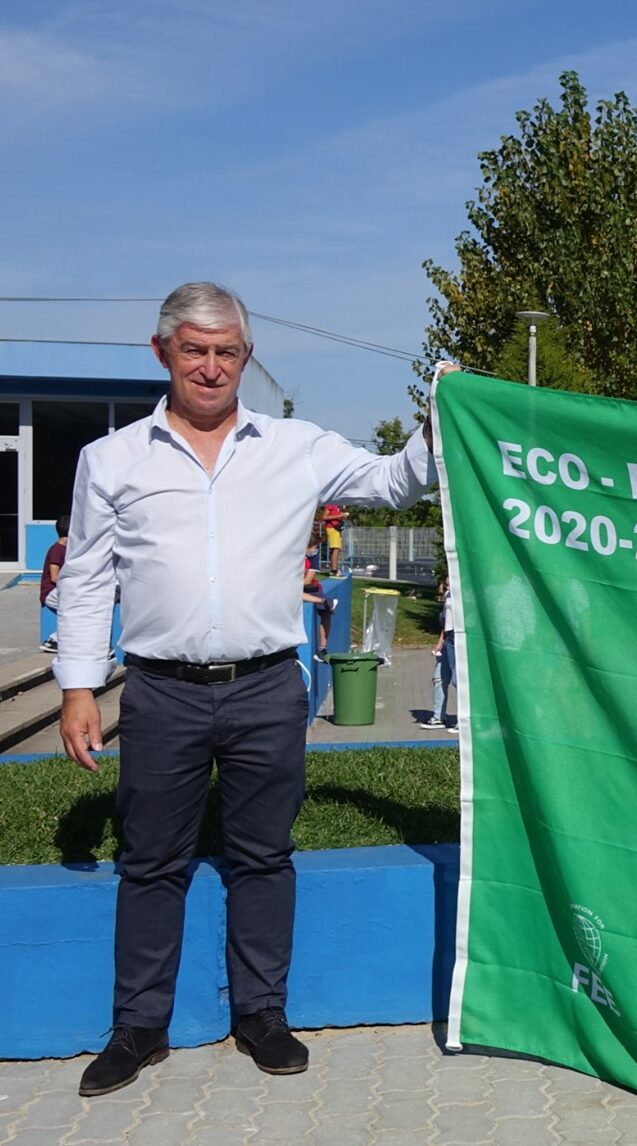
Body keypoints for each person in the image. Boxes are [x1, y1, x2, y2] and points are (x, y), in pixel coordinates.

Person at [56, 283, 445, 1096]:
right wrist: (78, 688)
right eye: (194, 350)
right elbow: (88, 581)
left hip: (269, 687)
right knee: (150, 860)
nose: (210, 366)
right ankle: (139, 1027)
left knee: (264, 856)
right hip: (160, 692)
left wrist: (440, 417)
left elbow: (395, 483)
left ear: (246, 356)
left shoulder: (296, 446)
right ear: (161, 352)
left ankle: (262, 1015)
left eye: (226, 351)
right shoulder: (112, 459)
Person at [421, 575, 459, 731]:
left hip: (459, 638)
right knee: (439, 677)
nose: (447, 585)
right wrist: (440, 641)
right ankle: (438, 717)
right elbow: (445, 620)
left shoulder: (464, 594)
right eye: (446, 583)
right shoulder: (448, 594)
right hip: (448, 638)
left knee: (458, 680)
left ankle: (464, 720)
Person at [38, 514, 69, 654]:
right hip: (50, 591)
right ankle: (54, 640)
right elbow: (55, 577)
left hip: (60, 590)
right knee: (75, 609)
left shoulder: (67, 550)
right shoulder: (56, 550)